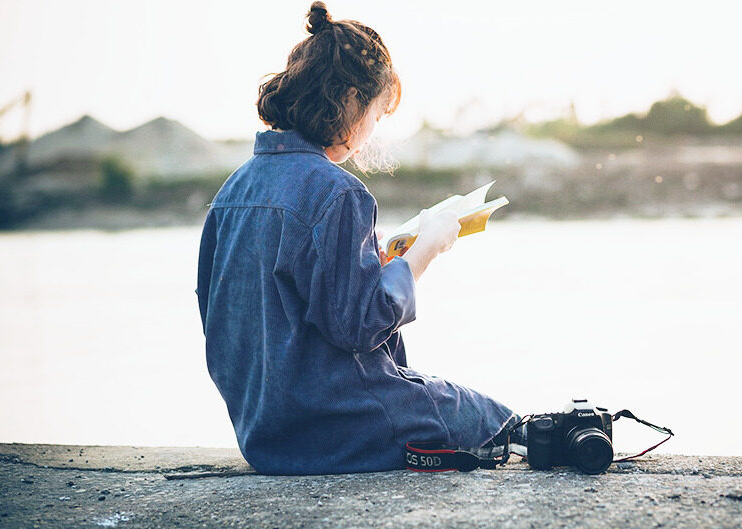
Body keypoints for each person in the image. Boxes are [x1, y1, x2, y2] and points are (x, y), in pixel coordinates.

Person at [195, 2, 518, 475]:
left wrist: (372, 261)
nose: (371, 131)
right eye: (376, 114)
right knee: (490, 419)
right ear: (348, 100)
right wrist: (425, 250)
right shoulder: (339, 192)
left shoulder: (232, 192)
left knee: (443, 400)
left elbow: (221, 311)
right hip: (329, 426)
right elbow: (361, 324)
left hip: (262, 432)